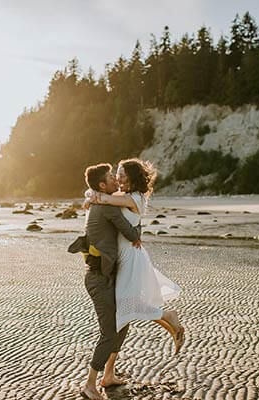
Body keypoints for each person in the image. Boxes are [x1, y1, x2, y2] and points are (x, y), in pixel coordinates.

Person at [84, 158, 184, 357]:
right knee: (125, 309)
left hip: (130, 256)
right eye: (117, 174)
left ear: (131, 176)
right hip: (123, 256)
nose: (118, 177)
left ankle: (169, 316)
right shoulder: (125, 195)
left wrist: (92, 198)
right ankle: (109, 371)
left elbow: (104, 198)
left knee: (128, 305)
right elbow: (95, 193)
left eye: (121, 173)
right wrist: (89, 196)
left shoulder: (135, 198)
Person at [68, 163, 142, 400]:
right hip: (99, 279)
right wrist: (137, 229)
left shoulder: (98, 201)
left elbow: (95, 196)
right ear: (102, 185)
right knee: (109, 333)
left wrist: (91, 195)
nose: (114, 180)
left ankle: (107, 377)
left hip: (104, 276)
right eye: (111, 177)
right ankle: (90, 385)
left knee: (122, 324)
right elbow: (132, 234)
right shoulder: (106, 207)